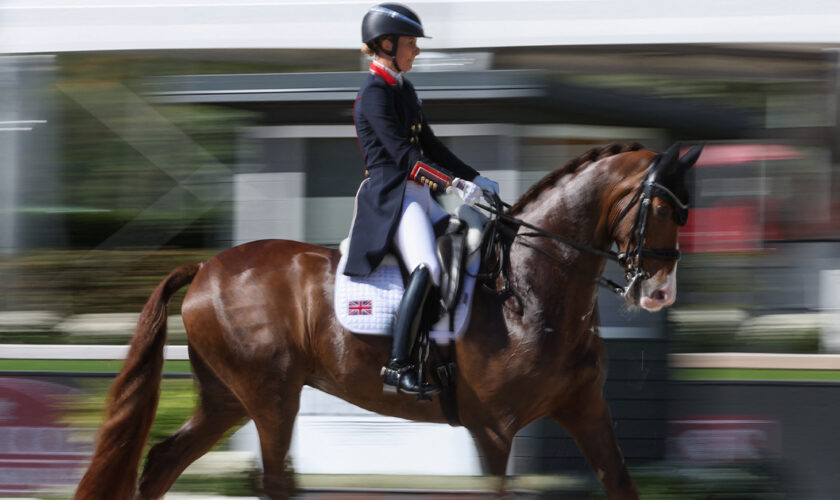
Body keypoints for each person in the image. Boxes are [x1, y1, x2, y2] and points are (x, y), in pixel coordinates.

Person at [344, 2, 499, 395]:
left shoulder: (404, 89)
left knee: (470, 244)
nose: (416, 50)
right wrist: (454, 185)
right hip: (393, 198)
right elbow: (405, 159)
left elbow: (431, 145)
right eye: (410, 43)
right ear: (385, 44)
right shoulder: (374, 94)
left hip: (420, 196)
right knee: (427, 266)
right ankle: (398, 365)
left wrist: (473, 176)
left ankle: (443, 346)